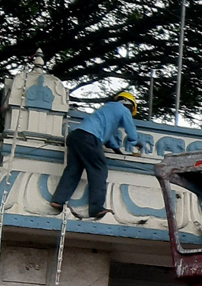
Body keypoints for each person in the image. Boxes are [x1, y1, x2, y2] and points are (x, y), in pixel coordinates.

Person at [50, 91, 150, 220]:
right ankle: (96, 208)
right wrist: (136, 142)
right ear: (129, 105)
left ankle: (58, 200)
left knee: (73, 170)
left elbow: (108, 138)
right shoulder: (123, 109)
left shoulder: (106, 109)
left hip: (75, 136)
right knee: (98, 170)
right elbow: (130, 130)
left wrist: (117, 151)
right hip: (89, 139)